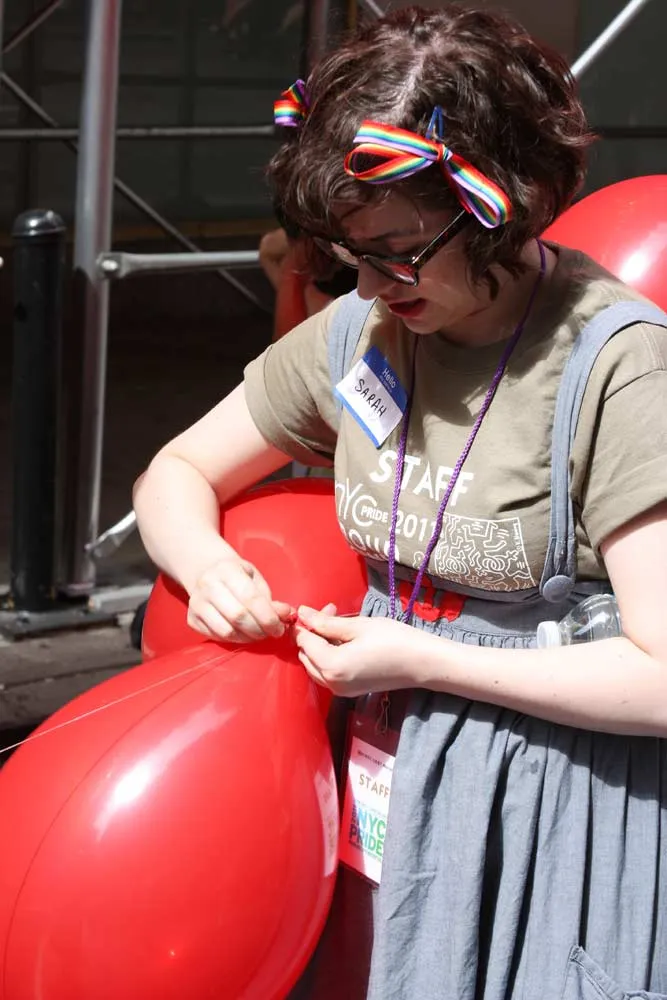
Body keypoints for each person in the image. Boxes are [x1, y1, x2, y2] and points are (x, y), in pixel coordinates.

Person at [133, 6, 667, 998]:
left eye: (398, 250)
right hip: (381, 785)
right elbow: (175, 472)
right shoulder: (359, 333)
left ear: (500, 205)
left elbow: (661, 676)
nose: (374, 285)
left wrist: (422, 658)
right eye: (352, 255)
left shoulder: (617, 366)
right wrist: (207, 569)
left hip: (547, 806)